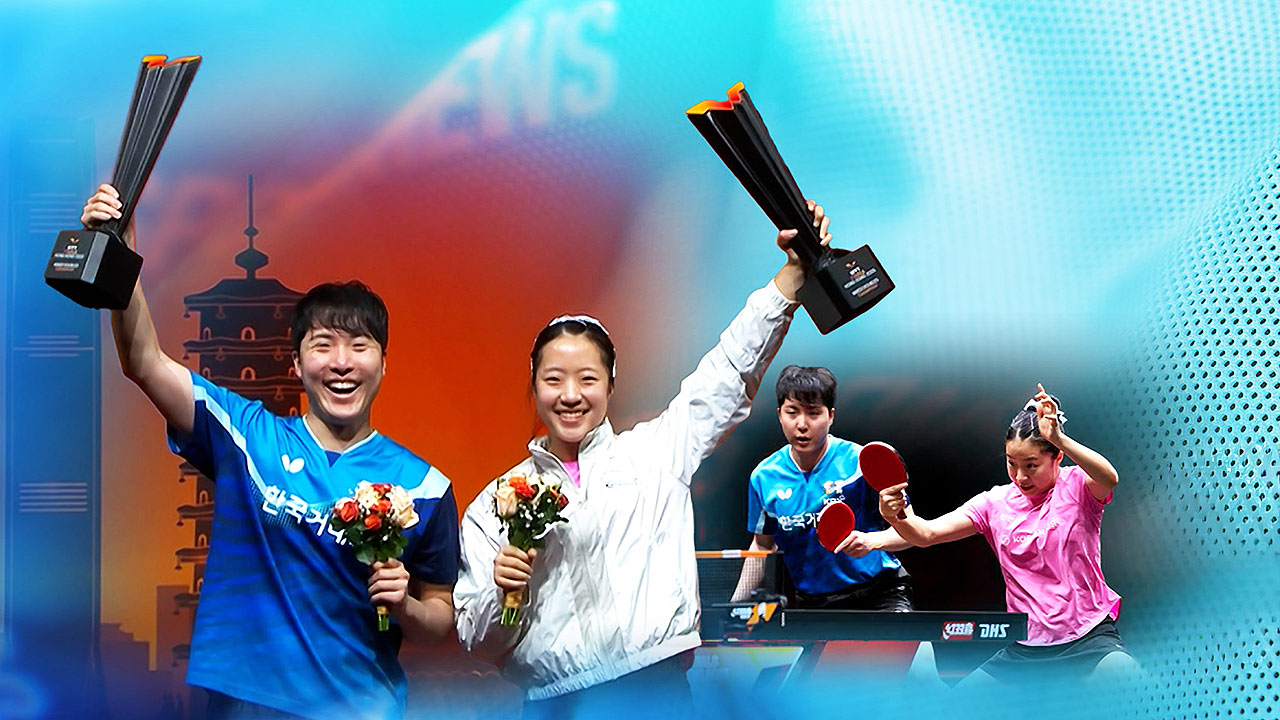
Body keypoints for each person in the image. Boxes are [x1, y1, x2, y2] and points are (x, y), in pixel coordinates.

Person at [82, 184, 459, 719]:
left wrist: (406, 607)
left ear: (383, 363)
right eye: (323, 345)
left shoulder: (423, 486)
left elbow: (440, 616)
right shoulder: (245, 437)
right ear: (297, 365)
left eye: (360, 346)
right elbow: (143, 361)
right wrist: (120, 245)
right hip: (246, 704)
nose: (342, 362)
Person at [453, 203, 833, 717]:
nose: (570, 395)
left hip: (656, 691)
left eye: (587, 379)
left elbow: (725, 376)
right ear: (534, 386)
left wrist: (789, 281)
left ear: (611, 384)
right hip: (554, 705)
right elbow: (478, 640)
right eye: (553, 379)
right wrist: (505, 595)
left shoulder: (656, 452)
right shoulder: (494, 505)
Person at [879, 384, 1138, 682]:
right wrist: (897, 516)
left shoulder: (1079, 487)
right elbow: (926, 534)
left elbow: (1109, 477)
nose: (1020, 476)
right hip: (1025, 647)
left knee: (1126, 677)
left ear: (1057, 458)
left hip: (1088, 637)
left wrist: (1058, 438)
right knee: (956, 702)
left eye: (1031, 465)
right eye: (1011, 463)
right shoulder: (994, 503)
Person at [734, 365, 912, 610]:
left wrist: (872, 541)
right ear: (779, 415)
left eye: (813, 413)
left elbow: (911, 532)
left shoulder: (861, 463)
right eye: (792, 412)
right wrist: (733, 605)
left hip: (880, 594)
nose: (802, 424)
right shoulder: (764, 477)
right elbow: (763, 545)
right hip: (815, 604)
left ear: (830, 416)